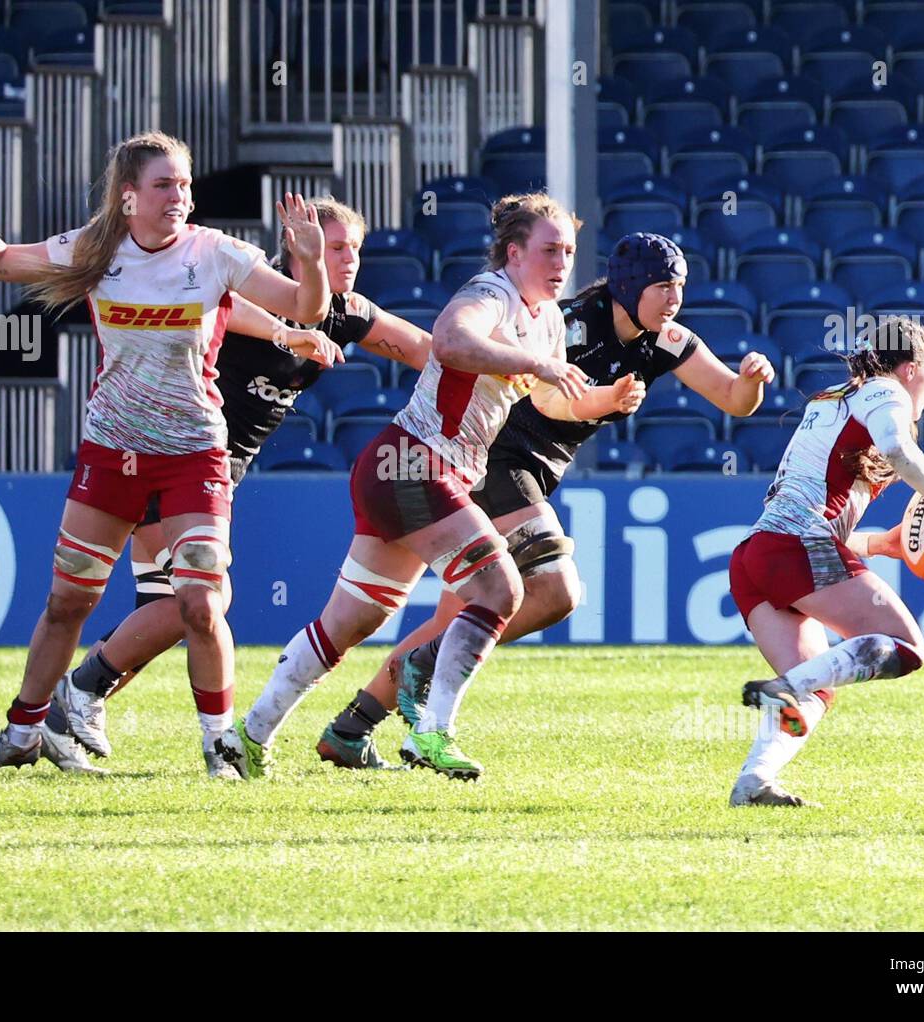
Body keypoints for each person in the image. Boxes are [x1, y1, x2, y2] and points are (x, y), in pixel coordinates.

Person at [0, 128, 331, 779]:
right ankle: (21, 734)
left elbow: (304, 307)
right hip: (112, 451)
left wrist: (311, 262)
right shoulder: (97, 249)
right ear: (128, 195)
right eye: (164, 185)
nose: (179, 196)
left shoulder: (215, 252)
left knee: (201, 601)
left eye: (184, 184)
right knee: (68, 603)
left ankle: (220, 748)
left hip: (193, 454)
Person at [315, 232, 778, 769]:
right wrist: (606, 399)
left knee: (458, 615)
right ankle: (424, 672)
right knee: (556, 591)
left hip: (531, 469)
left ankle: (351, 728)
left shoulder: (667, 339)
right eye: (662, 287)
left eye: (679, 286)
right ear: (629, 286)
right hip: (498, 456)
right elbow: (549, 401)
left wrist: (752, 381)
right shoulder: (570, 325)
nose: (674, 298)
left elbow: (733, 399)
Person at [215, 192, 601, 782]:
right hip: (416, 464)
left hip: (402, 468)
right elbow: (448, 342)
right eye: (550, 249)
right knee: (499, 591)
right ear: (514, 253)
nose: (562, 262)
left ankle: (250, 734)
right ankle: (432, 732)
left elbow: (547, 398)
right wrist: (536, 364)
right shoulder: (489, 294)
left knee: (348, 624)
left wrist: (599, 400)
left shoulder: (546, 318)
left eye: (569, 251)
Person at [38, 198, 433, 774]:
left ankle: (59, 714)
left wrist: (502, 368)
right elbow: (219, 306)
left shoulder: (344, 311)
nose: (348, 259)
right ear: (297, 247)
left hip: (215, 475)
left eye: (355, 249)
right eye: (335, 247)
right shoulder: (246, 290)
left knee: (170, 608)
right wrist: (282, 332)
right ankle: (78, 696)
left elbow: (425, 349)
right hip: (169, 455)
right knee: (199, 603)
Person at [727, 316, 924, 807]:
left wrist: (879, 544)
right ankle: (785, 686)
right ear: (910, 370)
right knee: (907, 647)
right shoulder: (886, 391)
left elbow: (811, 510)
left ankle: (754, 782)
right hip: (794, 547)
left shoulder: (831, 400)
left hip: (757, 555)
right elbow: (897, 448)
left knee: (817, 689)